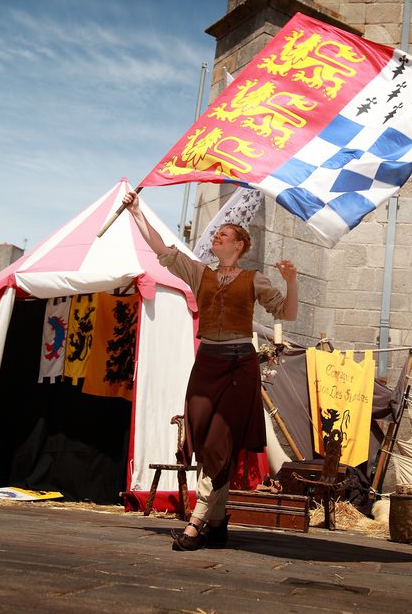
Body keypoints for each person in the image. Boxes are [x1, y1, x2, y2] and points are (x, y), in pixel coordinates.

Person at [122, 190, 298, 551]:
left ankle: (197, 523)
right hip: (206, 363)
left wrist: (291, 281)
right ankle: (218, 523)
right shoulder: (197, 271)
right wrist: (137, 211)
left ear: (240, 245)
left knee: (219, 441)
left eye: (224, 234)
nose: (216, 235)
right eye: (217, 233)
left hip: (238, 365)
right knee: (203, 440)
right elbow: (160, 248)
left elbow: (288, 314)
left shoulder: (255, 280)